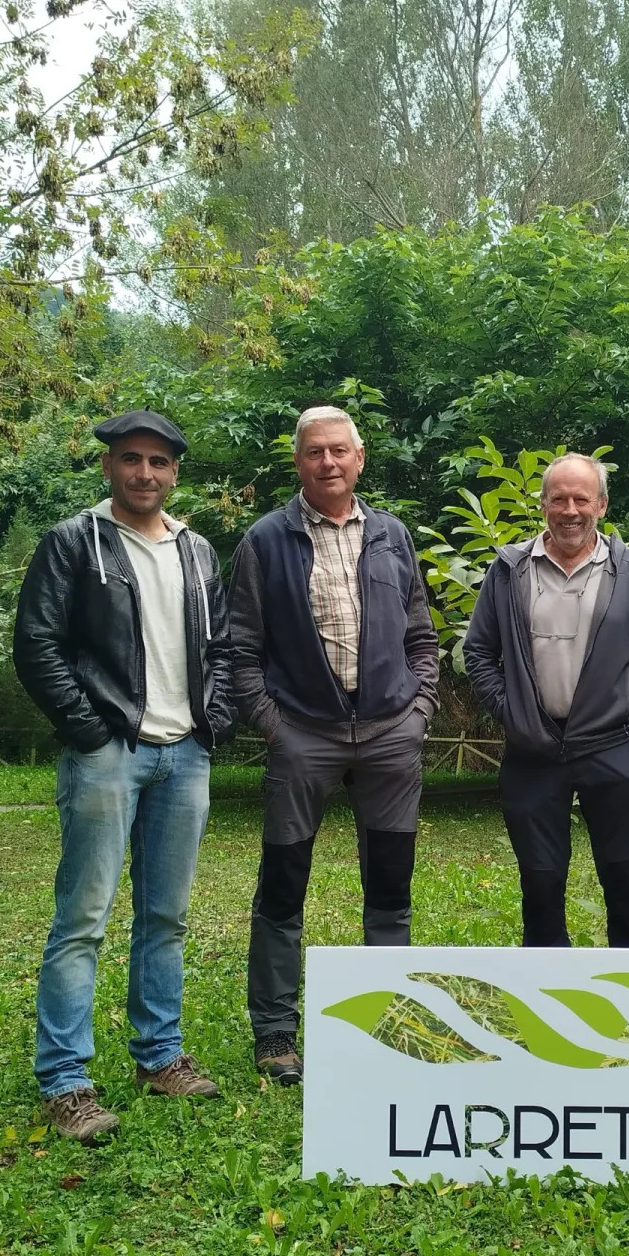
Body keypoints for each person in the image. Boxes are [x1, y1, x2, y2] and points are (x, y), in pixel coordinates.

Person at [13, 410, 235, 1145]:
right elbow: (36, 644)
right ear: (108, 465)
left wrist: (213, 719)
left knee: (166, 917)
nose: (145, 473)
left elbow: (223, 645)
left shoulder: (197, 550)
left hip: (185, 754)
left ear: (176, 472)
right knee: (84, 919)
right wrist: (89, 729)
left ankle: (160, 1057)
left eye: (159, 462)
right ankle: (65, 1083)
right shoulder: (73, 542)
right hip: (109, 751)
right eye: (131, 459)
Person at [227, 405, 439, 1086]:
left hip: (389, 735)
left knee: (391, 889)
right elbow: (240, 648)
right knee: (283, 886)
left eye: (339, 450)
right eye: (315, 451)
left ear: (360, 457)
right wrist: (273, 725)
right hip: (303, 737)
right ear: (298, 461)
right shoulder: (265, 540)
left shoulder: (391, 535)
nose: (328, 462)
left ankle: (390, 1029)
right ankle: (275, 1032)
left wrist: (418, 711)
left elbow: (421, 634)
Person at [463, 452, 629, 948]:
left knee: (625, 880)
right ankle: (545, 986)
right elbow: (478, 652)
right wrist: (512, 713)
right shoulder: (509, 569)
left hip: (614, 748)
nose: (570, 511)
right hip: (532, 753)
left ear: (602, 504)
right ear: (543, 504)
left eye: (582, 499)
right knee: (540, 883)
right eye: (559, 499)